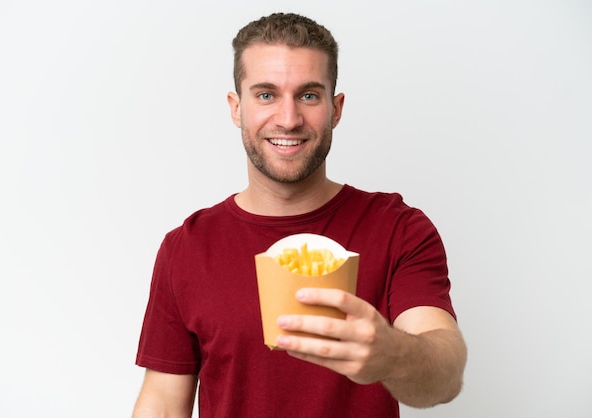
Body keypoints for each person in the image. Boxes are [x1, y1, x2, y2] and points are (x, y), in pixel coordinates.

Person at [132, 12, 467, 418]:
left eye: (308, 95)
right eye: (266, 95)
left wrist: (391, 355)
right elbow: (164, 405)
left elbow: (445, 374)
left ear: (336, 108)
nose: (288, 119)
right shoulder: (186, 247)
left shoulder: (399, 228)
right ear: (236, 108)